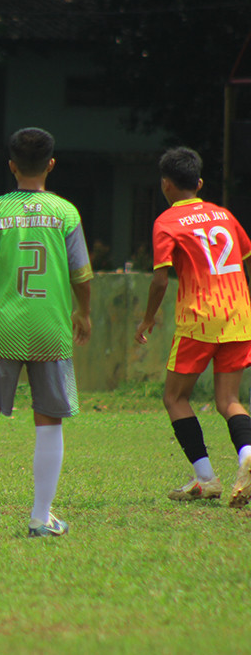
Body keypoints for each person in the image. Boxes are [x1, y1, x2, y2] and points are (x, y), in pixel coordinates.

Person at [0, 127, 92, 538]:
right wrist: (83, 312)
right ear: (50, 164)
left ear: (12, 166)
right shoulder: (66, 213)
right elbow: (80, 274)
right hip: (50, 327)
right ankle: (40, 517)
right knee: (49, 421)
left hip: (4, 327)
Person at [135, 147, 251, 507]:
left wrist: (148, 317)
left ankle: (205, 477)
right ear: (199, 183)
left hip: (199, 317)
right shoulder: (224, 215)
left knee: (174, 397)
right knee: (229, 400)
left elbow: (159, 281)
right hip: (239, 314)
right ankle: (248, 456)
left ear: (165, 185)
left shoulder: (166, 222)